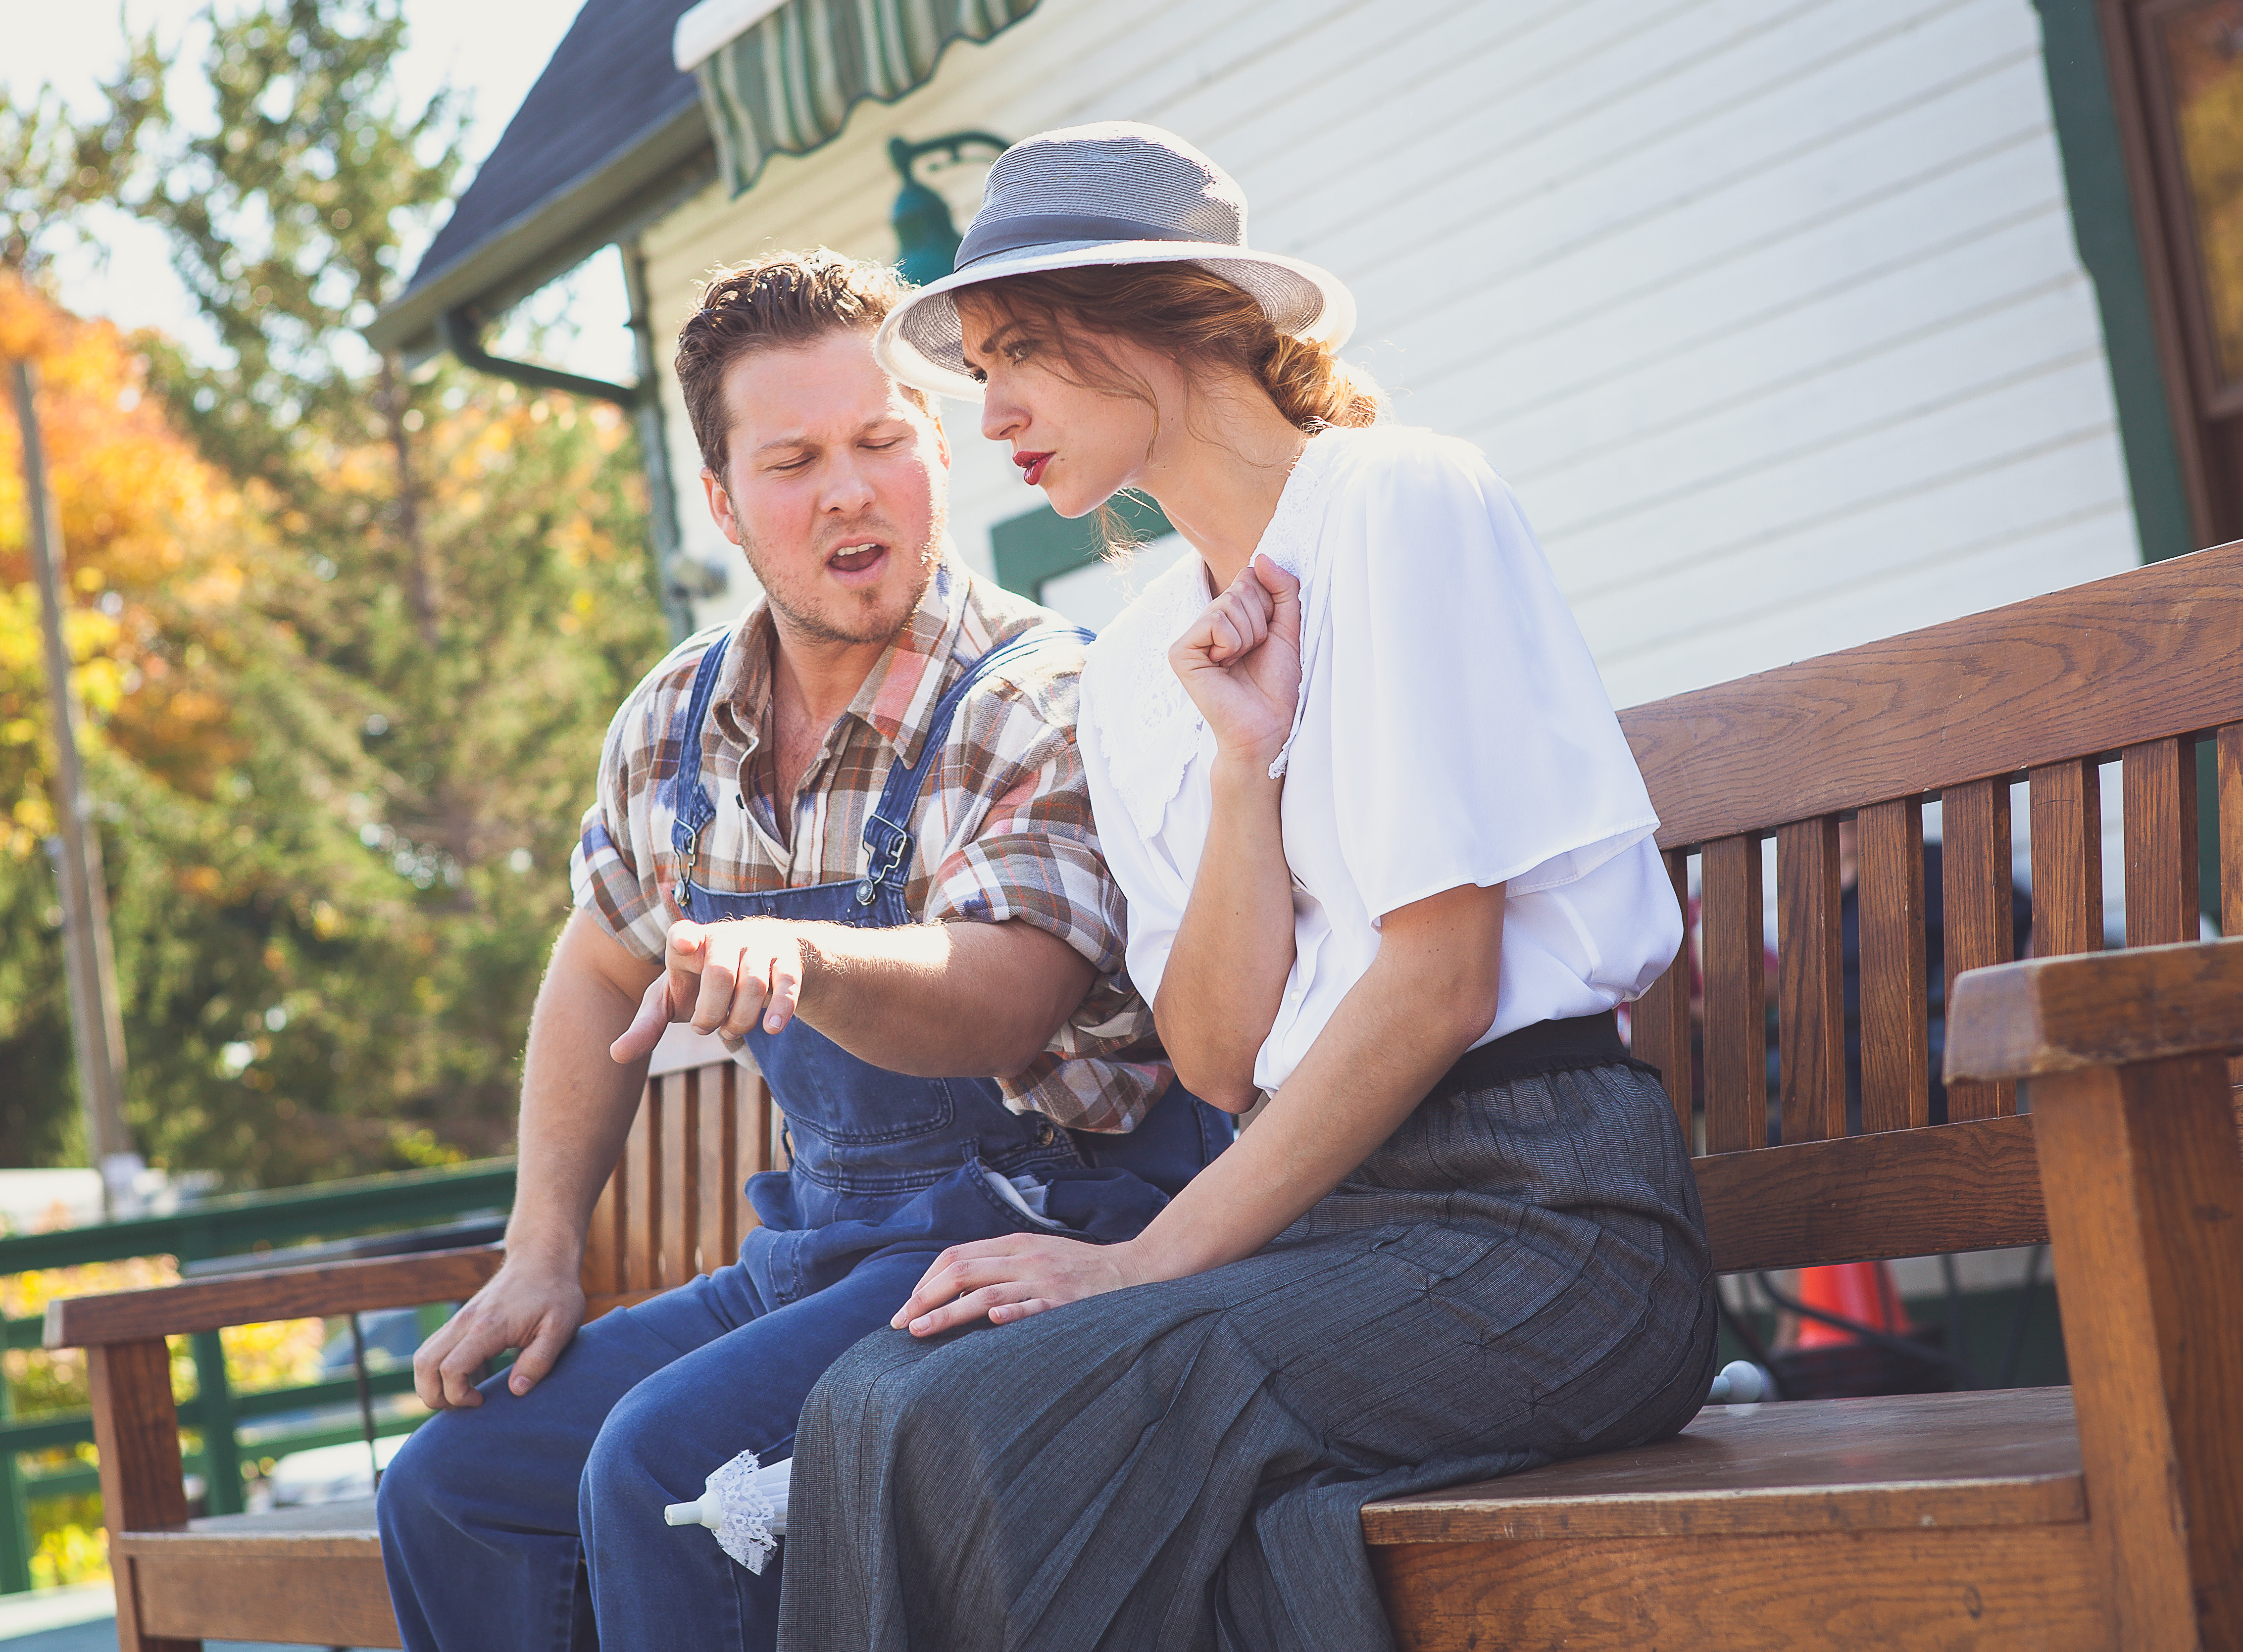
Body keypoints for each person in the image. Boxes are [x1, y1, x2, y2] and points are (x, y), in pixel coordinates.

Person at [777, 125, 1718, 1652]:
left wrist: (1145, 1258)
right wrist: (1244, 768)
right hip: (1325, 1230)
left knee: (1014, 1421)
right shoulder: (1144, 670)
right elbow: (1218, 1057)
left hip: (1552, 1230)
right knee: (881, 1396)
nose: (992, 408)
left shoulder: (1397, 499)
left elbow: (1443, 979)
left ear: (1163, 318)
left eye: (1021, 350)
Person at [375, 248, 1231, 1652]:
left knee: (666, 1472)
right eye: (794, 461)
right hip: (823, 1251)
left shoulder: (1039, 695)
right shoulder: (674, 724)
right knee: (456, 1485)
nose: (849, 489)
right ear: (721, 500)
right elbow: (598, 963)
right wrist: (539, 1252)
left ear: (936, 453)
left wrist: (811, 958)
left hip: (1040, 1240)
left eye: (881, 441)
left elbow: (1008, 995)